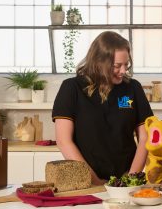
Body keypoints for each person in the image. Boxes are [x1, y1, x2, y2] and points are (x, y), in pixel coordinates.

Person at [52, 31, 153, 185]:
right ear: (98, 62)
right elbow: (64, 141)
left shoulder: (133, 88)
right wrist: (96, 181)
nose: (123, 71)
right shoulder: (71, 88)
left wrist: (131, 179)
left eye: (126, 65)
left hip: (126, 179)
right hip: (86, 182)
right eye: (117, 66)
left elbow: (145, 138)